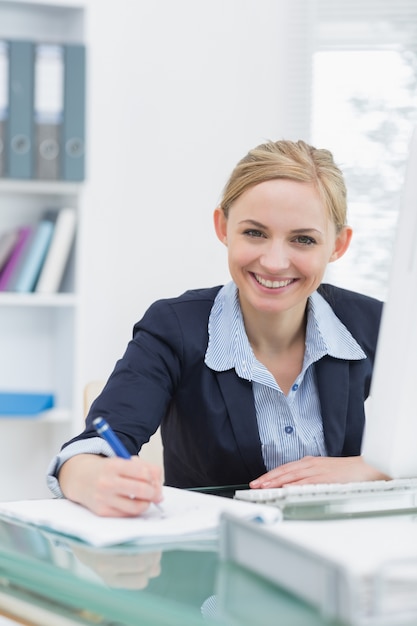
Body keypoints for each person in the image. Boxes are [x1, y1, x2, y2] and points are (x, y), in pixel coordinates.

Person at [47, 139, 387, 517]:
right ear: (222, 227)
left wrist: (372, 467)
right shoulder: (173, 327)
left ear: (338, 245)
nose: (274, 262)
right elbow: (84, 455)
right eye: (255, 233)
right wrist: (95, 479)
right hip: (210, 561)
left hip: (342, 554)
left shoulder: (375, 326)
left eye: (303, 239)